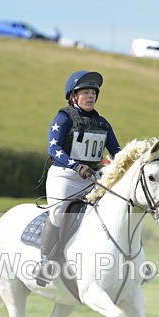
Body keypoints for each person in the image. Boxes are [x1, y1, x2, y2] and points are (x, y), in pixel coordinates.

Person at [36, 70, 121, 285]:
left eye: (93, 93)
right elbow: (53, 148)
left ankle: (128, 261)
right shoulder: (63, 118)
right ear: (73, 96)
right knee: (58, 212)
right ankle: (46, 262)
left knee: (115, 212)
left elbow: (117, 152)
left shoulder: (102, 123)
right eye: (85, 92)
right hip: (64, 176)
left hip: (92, 179)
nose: (91, 96)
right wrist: (75, 165)